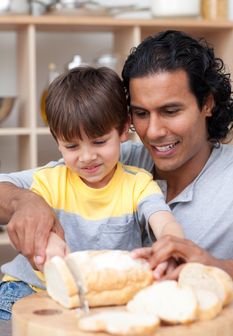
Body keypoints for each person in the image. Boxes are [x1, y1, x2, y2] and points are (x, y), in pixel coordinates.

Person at [0, 30, 233, 278]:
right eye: (141, 114)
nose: (152, 132)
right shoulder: (116, 159)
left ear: (207, 103)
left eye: (171, 111)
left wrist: (212, 265)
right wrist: (25, 202)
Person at [0, 66, 184, 320]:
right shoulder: (49, 181)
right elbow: (38, 229)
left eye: (99, 142)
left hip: (97, 298)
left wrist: (171, 245)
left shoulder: (138, 184)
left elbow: (164, 222)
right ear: (57, 141)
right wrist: (48, 242)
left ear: (123, 130)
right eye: (72, 146)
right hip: (28, 291)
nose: (87, 157)